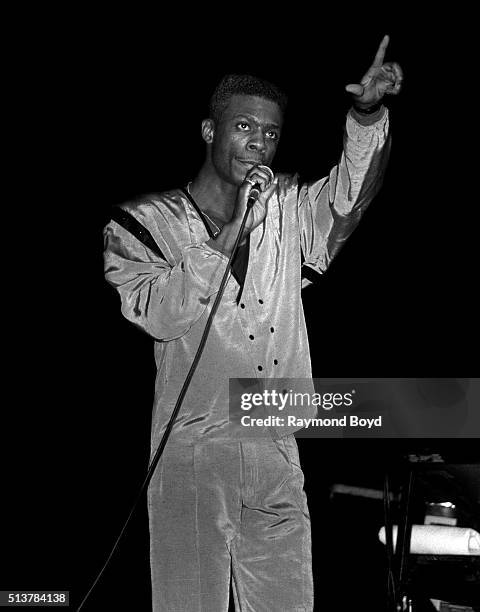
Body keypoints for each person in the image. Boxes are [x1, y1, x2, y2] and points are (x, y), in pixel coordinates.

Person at [103, 35, 403, 612]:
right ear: (210, 131)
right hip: (194, 450)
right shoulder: (140, 222)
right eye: (245, 127)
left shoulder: (288, 209)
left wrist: (366, 114)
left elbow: (349, 196)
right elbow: (161, 313)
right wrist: (233, 229)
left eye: (271, 133)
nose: (260, 144)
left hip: (275, 445)